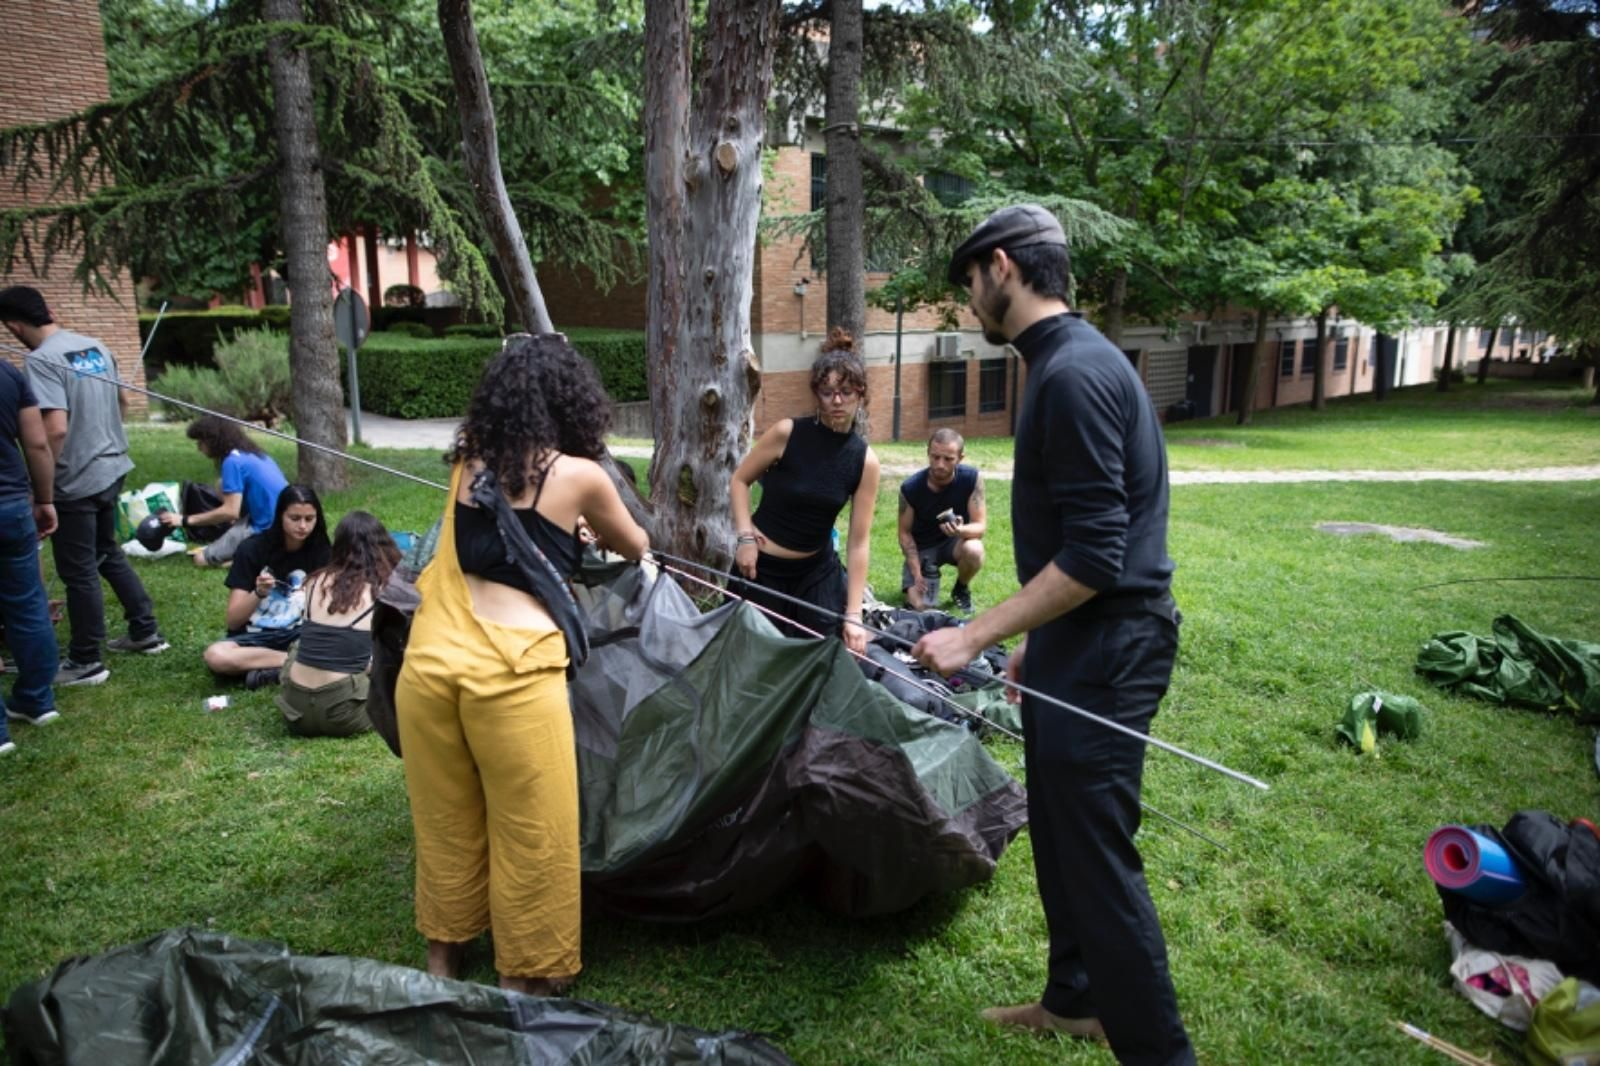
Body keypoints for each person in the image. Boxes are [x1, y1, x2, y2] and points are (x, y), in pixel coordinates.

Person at [913, 205, 1194, 1066]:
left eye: (969, 285)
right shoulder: (1068, 362)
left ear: (1002, 267)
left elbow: (1100, 554)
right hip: (1083, 641)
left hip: (1113, 645)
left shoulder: (1073, 374)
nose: (968, 306)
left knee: (1099, 860)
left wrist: (974, 636)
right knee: (1065, 835)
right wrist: (1043, 638)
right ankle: (1074, 999)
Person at [396, 333, 648, 995]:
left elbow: (475, 544)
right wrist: (584, 528)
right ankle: (523, 975)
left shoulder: (466, 464)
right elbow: (635, 545)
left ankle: (444, 960)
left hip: (428, 667)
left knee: (445, 816)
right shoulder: (582, 476)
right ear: (571, 402)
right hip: (513, 674)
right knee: (531, 827)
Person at [1, 285, 166, 685]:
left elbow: (53, 430)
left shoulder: (40, 361)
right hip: (112, 466)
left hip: (74, 478)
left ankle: (86, 659)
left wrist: (44, 481)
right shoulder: (92, 345)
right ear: (50, 309)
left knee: (78, 572)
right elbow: (123, 402)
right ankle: (145, 631)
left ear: (14, 325)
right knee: (106, 552)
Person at [729, 328, 881, 655]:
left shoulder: (864, 461)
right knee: (753, 657)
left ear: (861, 393)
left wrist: (854, 615)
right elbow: (740, 481)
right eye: (827, 392)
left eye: (846, 391)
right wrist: (744, 538)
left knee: (816, 658)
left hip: (817, 571)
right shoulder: (787, 433)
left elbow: (858, 542)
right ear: (816, 394)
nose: (837, 401)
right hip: (761, 568)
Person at [276, 510, 398, 737]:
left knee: (299, 646)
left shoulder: (314, 582)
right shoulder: (385, 587)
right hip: (345, 713)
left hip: (295, 711)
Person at [202, 484, 331, 689]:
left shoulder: (322, 551)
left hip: (301, 635)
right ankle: (299, 666)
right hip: (256, 636)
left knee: (355, 649)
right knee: (216, 656)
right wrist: (258, 593)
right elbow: (234, 621)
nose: (303, 526)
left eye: (309, 519)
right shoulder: (252, 549)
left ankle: (271, 671)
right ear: (280, 516)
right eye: (295, 518)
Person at [0, 354, 61, 753]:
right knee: (27, 603)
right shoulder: (7, 371)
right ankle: (37, 700)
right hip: (11, 507)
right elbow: (36, 442)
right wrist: (45, 498)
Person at [160, 415, 288, 566]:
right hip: (284, 519)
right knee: (221, 484)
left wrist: (185, 520)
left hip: (266, 527)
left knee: (200, 559)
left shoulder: (232, 462)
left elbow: (230, 511)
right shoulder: (252, 452)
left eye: (201, 442)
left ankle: (257, 559)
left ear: (213, 440)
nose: (199, 447)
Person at [899, 428, 987, 615]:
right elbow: (904, 533)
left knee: (975, 550)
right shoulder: (911, 488)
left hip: (953, 543)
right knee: (922, 607)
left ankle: (961, 588)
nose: (940, 464)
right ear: (928, 454)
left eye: (948, 459)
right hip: (922, 549)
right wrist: (916, 573)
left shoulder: (971, 479)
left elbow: (980, 526)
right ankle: (917, 588)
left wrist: (960, 531)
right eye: (935, 457)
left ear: (960, 458)